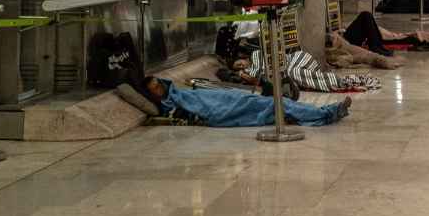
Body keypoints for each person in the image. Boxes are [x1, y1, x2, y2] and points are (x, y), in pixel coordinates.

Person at [142, 76, 351, 128]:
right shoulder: (170, 105)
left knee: (280, 105)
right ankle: (327, 112)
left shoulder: (179, 93)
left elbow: (204, 97)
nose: (159, 89)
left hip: (233, 99)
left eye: (158, 84)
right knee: (279, 105)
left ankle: (326, 113)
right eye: (154, 89)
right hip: (226, 110)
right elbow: (200, 110)